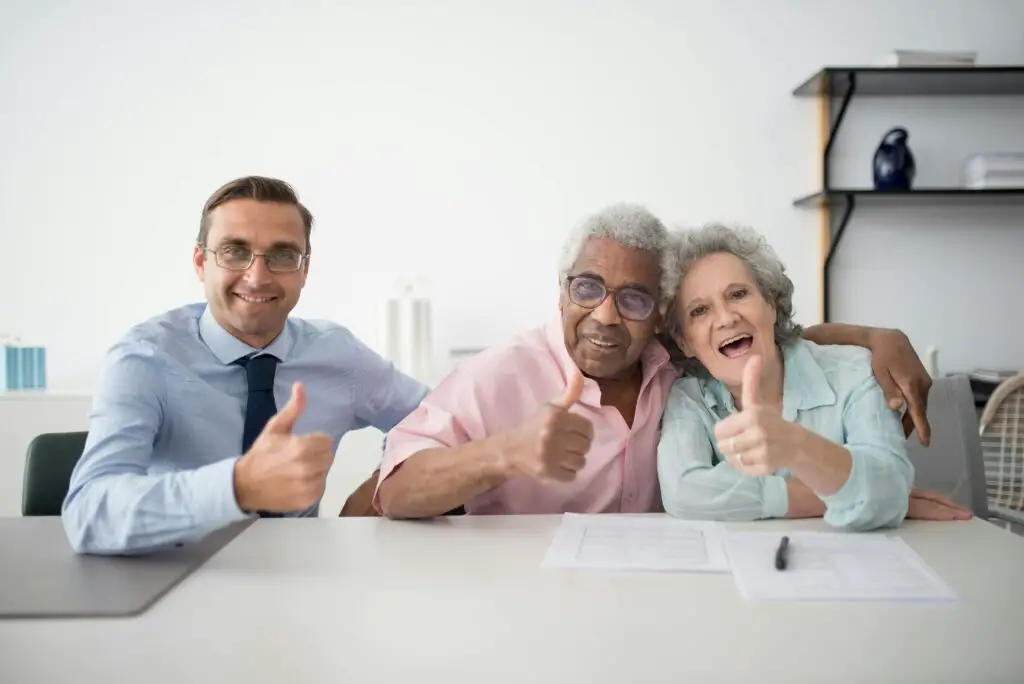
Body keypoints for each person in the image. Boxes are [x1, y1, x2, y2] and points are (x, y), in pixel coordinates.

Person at [373, 204, 947, 519]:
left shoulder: (669, 362)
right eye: (587, 288)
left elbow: (765, 335)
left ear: (659, 319)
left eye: (633, 299)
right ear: (561, 290)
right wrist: (508, 451)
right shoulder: (497, 375)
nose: (604, 316)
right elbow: (395, 492)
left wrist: (875, 336)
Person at [62, 176, 428, 554]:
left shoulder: (338, 354)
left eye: (283, 255)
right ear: (201, 262)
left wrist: (381, 490)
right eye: (235, 252)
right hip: (173, 580)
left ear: (304, 270)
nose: (257, 277)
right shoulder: (143, 358)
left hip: (304, 579)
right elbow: (90, 514)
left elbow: (443, 422)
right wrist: (237, 486)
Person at [656, 223, 973, 530]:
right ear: (685, 342)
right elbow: (684, 491)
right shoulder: (688, 397)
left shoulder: (855, 372)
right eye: (700, 311)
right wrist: (837, 496)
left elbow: (887, 486)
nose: (726, 318)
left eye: (738, 294)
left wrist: (797, 446)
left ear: (771, 305)